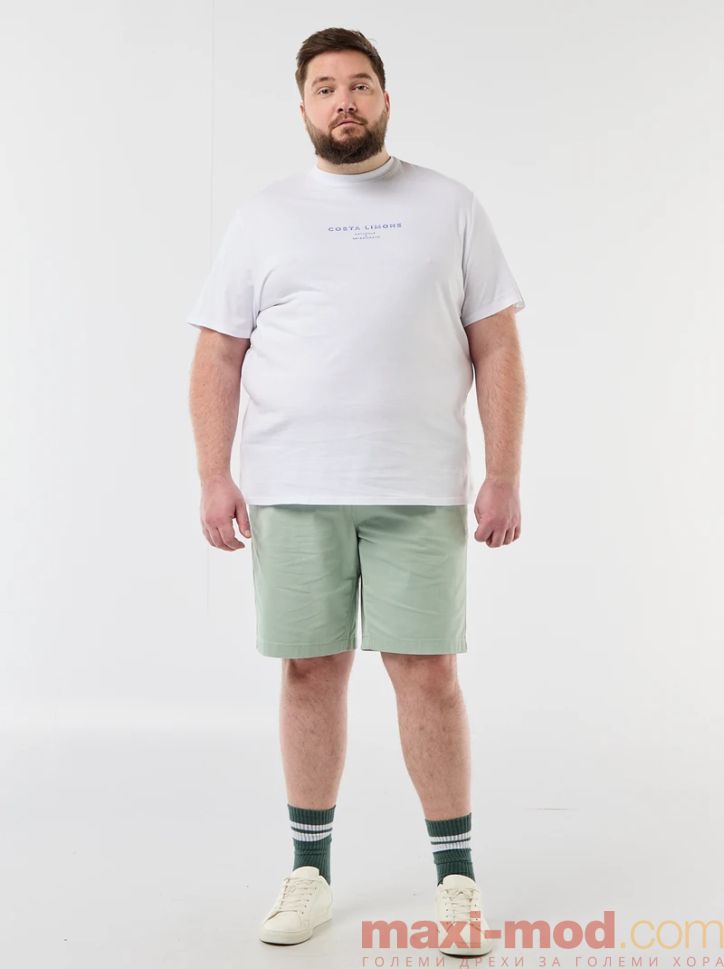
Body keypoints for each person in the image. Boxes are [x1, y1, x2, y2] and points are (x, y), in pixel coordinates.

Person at [185, 26, 527, 957]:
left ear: (385, 98)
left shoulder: (449, 205)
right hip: (294, 484)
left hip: (417, 485)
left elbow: (497, 346)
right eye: (327, 86)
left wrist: (503, 471)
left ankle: (455, 878)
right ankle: (310, 872)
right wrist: (214, 473)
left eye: (361, 84)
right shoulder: (265, 215)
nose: (345, 99)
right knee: (309, 671)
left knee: (429, 673)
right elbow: (218, 353)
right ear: (302, 106)